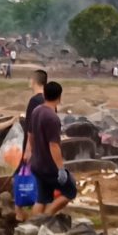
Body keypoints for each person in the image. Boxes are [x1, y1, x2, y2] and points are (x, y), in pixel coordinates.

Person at [23, 78, 70, 216]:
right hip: (48, 164)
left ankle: (33, 226)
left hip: (38, 161)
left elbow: (30, 134)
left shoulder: (36, 111)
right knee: (69, 192)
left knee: (42, 198)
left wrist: (32, 151)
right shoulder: (52, 117)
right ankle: (45, 218)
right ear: (59, 97)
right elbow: (54, 145)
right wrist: (60, 168)